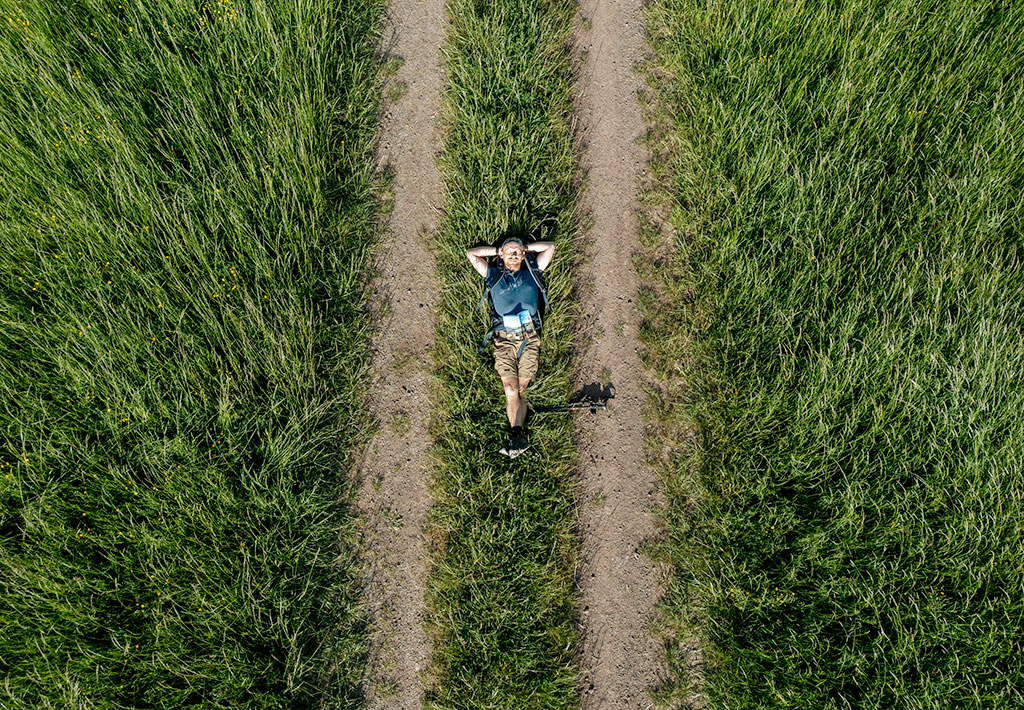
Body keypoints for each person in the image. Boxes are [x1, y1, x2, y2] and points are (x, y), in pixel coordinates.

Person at [466, 236, 556, 457]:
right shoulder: (494, 276)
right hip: (504, 339)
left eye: (518, 252)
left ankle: (516, 437)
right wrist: (498, 249)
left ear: (524, 255)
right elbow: (471, 254)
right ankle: (516, 434)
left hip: (529, 338)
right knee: (510, 390)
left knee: (519, 391)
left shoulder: (532, 273)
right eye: (509, 252)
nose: (514, 254)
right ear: (502, 256)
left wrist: (525, 247)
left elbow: (550, 247)